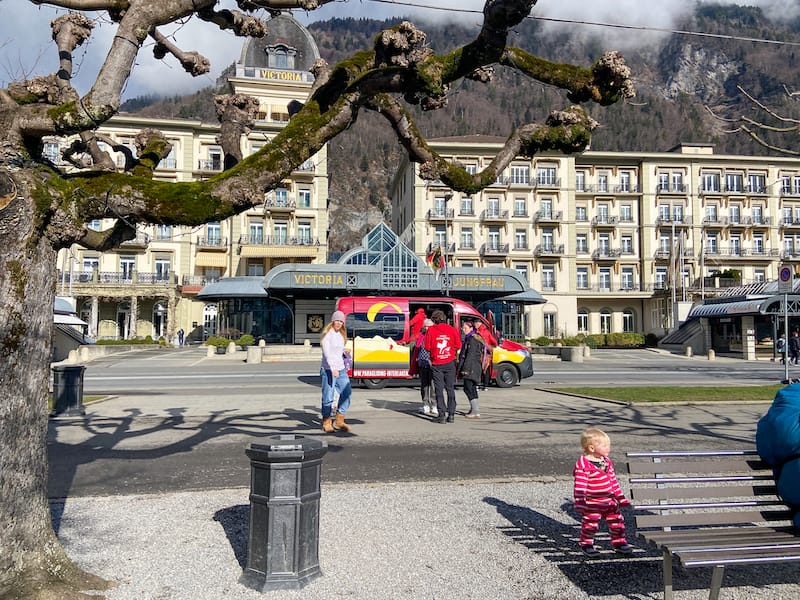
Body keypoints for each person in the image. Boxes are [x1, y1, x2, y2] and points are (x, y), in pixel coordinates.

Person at [572, 427, 633, 557]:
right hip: (592, 503)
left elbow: (613, 481)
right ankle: (586, 544)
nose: (608, 448)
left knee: (617, 522)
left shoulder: (606, 462)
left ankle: (619, 543)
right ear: (592, 448)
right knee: (590, 524)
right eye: (605, 446)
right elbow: (580, 486)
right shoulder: (584, 466)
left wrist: (620, 497)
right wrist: (580, 502)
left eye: (608, 445)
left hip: (610, 501)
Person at [423, 309, 461, 423]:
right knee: (450, 389)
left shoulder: (431, 330)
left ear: (434, 320)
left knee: (439, 390)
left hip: (437, 363)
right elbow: (458, 344)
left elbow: (427, 347)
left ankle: (441, 414)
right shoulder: (452, 329)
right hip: (449, 362)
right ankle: (452, 414)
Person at [320, 310, 353, 433]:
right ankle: (326, 421)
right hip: (329, 369)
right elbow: (327, 354)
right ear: (332, 321)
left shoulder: (340, 335)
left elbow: (336, 351)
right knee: (328, 397)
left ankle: (339, 420)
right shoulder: (327, 335)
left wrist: (344, 352)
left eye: (341, 321)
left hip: (341, 369)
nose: (339, 323)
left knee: (347, 393)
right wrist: (333, 368)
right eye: (337, 320)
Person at [456, 320, 486, 419]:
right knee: (472, 388)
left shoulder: (472, 339)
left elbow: (470, 355)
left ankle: (475, 410)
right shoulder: (472, 338)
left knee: (468, 388)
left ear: (471, 328)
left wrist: (466, 369)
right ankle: (474, 409)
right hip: (474, 366)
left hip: (471, 367)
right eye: (463, 328)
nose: (463, 330)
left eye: (465, 328)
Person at [409, 318, 436, 416]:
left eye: (428, 326)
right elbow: (416, 349)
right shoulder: (421, 336)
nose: (426, 328)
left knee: (433, 385)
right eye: (425, 326)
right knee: (424, 385)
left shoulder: (435, 336)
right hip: (422, 363)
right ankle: (425, 404)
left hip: (432, 364)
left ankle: (434, 404)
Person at [476, 321, 497, 389]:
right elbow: (494, 342)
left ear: (478, 324)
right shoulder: (487, 332)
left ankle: (478, 383)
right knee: (486, 368)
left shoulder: (477, 332)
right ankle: (485, 384)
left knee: (478, 368)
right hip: (486, 353)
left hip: (478, 353)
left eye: (475, 324)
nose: (474, 325)